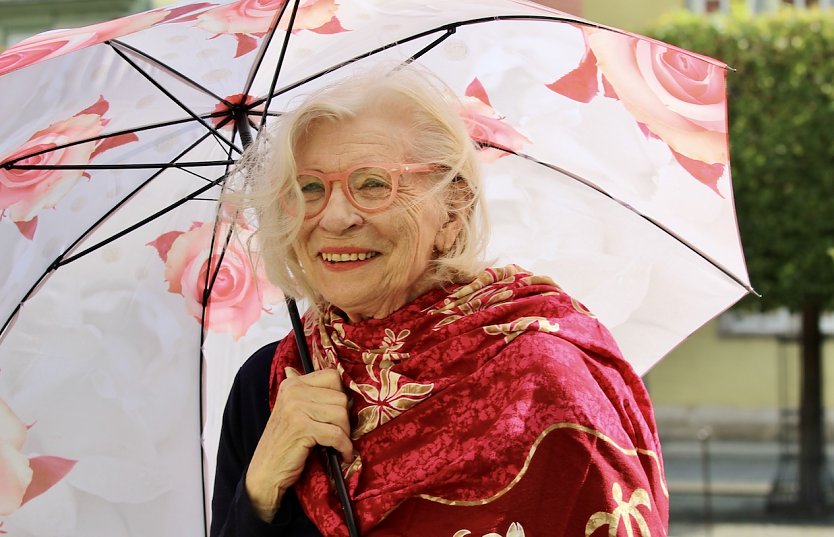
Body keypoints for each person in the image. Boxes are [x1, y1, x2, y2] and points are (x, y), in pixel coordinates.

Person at [210, 66, 668, 537]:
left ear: (452, 209)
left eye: (372, 184)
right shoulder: (273, 383)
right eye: (309, 188)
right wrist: (260, 492)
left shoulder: (541, 377)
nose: (336, 217)